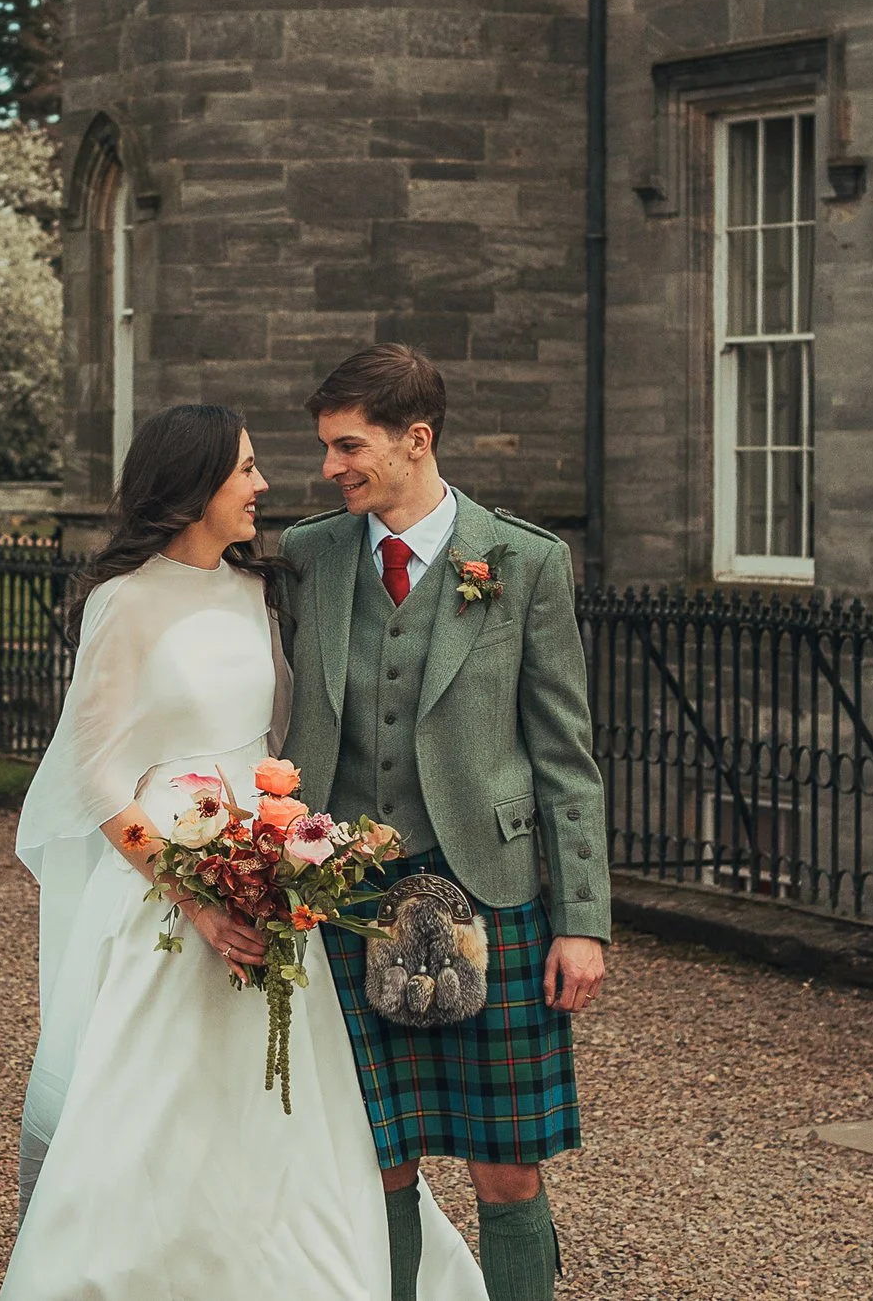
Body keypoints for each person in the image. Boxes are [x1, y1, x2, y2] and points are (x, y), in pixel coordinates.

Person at [4, 404, 486, 1301]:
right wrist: (196, 894)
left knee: (289, 1107)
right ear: (194, 486)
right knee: (159, 1105)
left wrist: (291, 855)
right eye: (246, 469)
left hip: (266, 862)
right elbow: (95, 777)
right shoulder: (125, 601)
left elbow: (277, 737)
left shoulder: (255, 588)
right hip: (170, 883)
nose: (264, 485)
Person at [280, 345, 609, 1301]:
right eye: (327, 448)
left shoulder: (525, 561)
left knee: (506, 1162)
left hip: (489, 885)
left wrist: (581, 918)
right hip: (342, 897)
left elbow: (565, 757)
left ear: (416, 440)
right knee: (374, 1154)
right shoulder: (310, 555)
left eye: (350, 446)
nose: (332, 466)